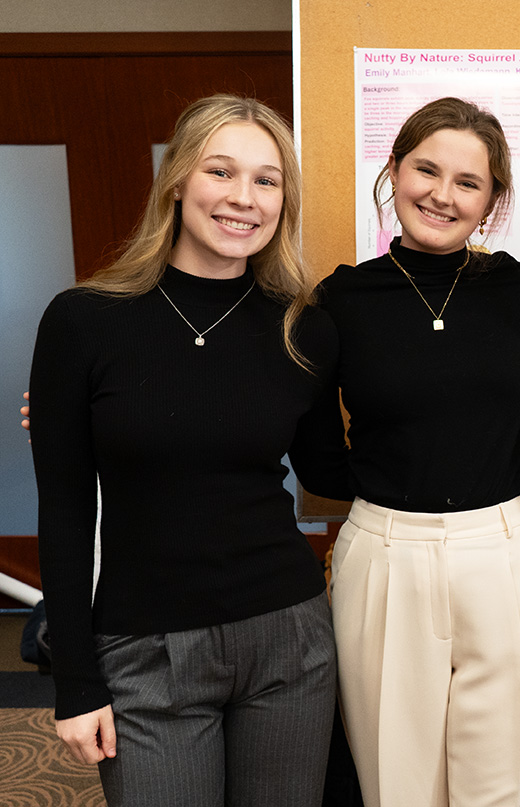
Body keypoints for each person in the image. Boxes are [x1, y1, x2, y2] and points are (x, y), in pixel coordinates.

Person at [29, 94, 351, 806]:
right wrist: (75, 678)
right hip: (145, 647)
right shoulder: (84, 321)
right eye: (221, 171)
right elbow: (66, 508)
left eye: (267, 180)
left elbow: (331, 471)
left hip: (287, 639)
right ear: (177, 179)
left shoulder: (303, 328)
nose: (244, 198)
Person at [320, 97, 520, 807]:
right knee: (397, 781)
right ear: (394, 170)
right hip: (385, 551)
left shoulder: (519, 291)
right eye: (426, 169)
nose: (441, 193)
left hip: (506, 546)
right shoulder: (341, 299)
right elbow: (299, 430)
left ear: (493, 200)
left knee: (512, 779)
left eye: (469, 182)